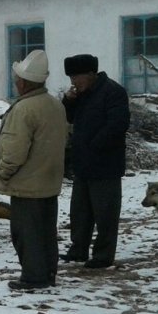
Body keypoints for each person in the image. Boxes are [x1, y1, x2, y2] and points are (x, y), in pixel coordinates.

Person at [0, 49, 68, 290]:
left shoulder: (24, 109)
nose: (15, 84)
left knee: (27, 233)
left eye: (17, 80)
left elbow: (14, 151)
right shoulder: (55, 105)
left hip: (27, 183)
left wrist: (3, 171)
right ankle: (47, 272)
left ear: (24, 83)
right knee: (46, 232)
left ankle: (34, 276)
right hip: (49, 181)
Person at [61, 54, 130, 269]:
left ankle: (103, 255)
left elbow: (118, 125)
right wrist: (68, 101)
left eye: (76, 77)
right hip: (83, 164)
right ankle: (78, 249)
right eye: (71, 77)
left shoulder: (113, 92)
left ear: (91, 74)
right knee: (80, 212)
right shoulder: (82, 94)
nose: (73, 82)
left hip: (105, 165)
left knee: (105, 214)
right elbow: (69, 117)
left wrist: (94, 145)